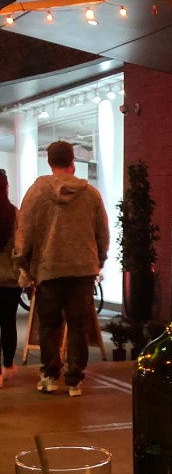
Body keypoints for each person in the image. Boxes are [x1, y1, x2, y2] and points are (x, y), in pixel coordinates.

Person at [15, 141, 109, 397]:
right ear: (72, 162)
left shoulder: (36, 192)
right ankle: (74, 381)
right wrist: (99, 261)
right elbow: (102, 233)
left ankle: (50, 375)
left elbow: (25, 233)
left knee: (49, 325)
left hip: (49, 269)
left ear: (49, 162)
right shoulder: (91, 195)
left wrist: (24, 266)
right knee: (79, 326)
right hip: (83, 269)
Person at [0, 169, 20, 389]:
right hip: (10, 280)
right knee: (8, 323)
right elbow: (23, 246)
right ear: (6, 187)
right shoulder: (15, 215)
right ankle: (7, 366)